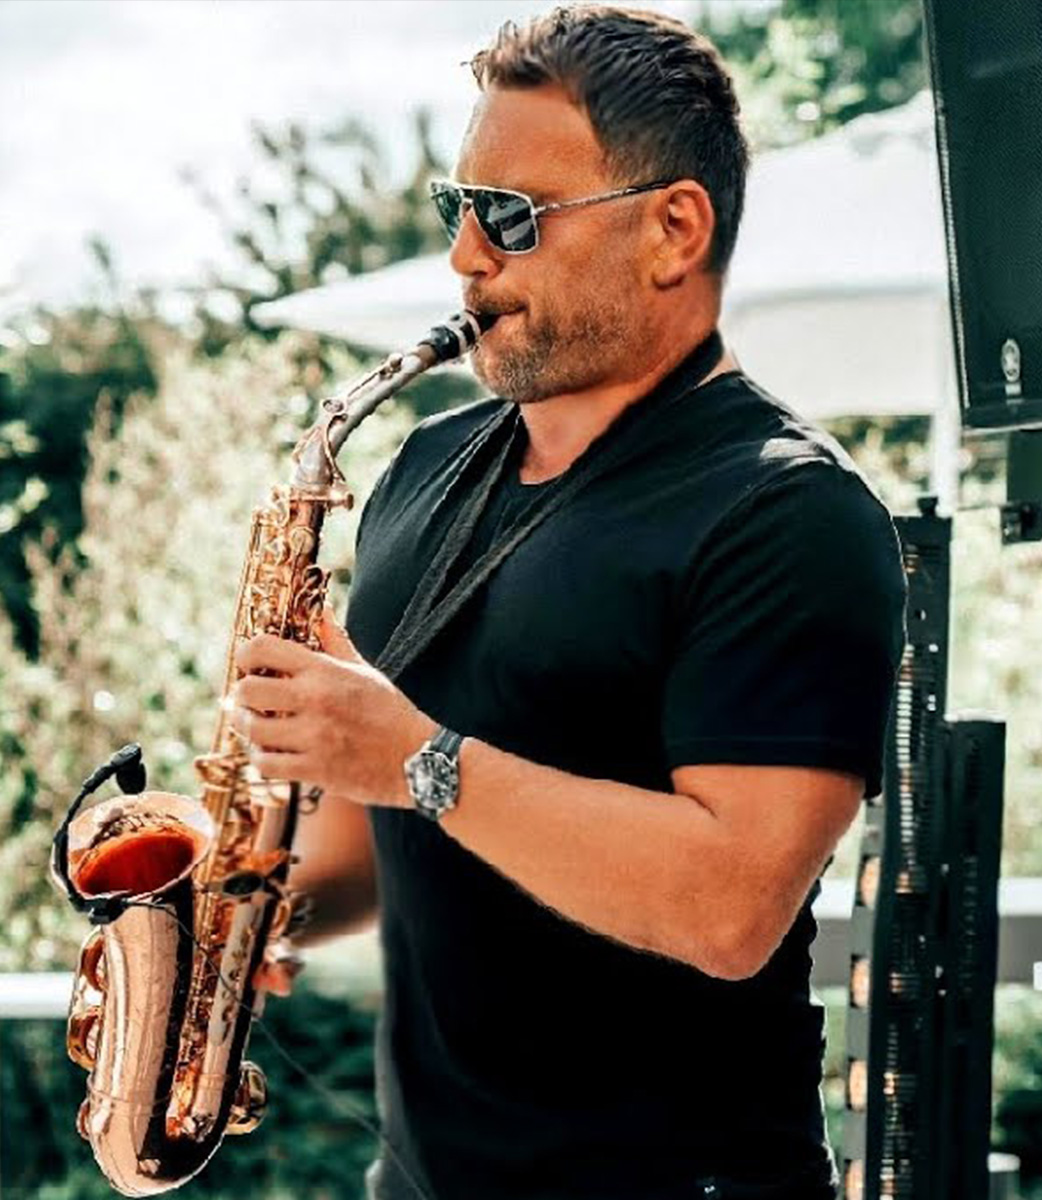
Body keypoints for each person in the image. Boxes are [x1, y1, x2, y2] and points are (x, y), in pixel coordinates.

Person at [232, 7, 907, 1199]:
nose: (464, 259)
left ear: (672, 229)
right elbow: (382, 838)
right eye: (457, 208)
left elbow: (730, 906)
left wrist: (414, 758)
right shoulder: (422, 465)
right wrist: (251, 914)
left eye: (510, 217)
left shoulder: (787, 511)